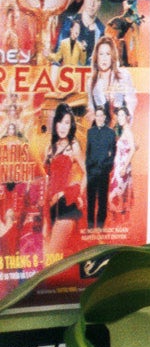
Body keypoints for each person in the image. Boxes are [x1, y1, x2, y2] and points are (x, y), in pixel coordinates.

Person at [43, 104, 86, 257]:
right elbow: (46, 178)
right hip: (50, 206)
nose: (63, 127)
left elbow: (87, 172)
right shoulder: (50, 148)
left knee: (51, 254)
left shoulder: (73, 146)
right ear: (55, 124)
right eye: (60, 122)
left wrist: (77, 193)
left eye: (67, 122)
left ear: (71, 125)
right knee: (49, 254)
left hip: (66, 203)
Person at [83, 104, 116, 232]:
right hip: (91, 171)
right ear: (95, 117)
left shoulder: (110, 133)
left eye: (101, 116)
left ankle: (100, 226)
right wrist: (88, 167)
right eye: (97, 115)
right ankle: (91, 226)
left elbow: (113, 152)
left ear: (105, 117)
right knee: (90, 199)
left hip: (104, 172)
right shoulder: (90, 132)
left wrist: (107, 168)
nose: (99, 118)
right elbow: (88, 151)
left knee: (102, 200)